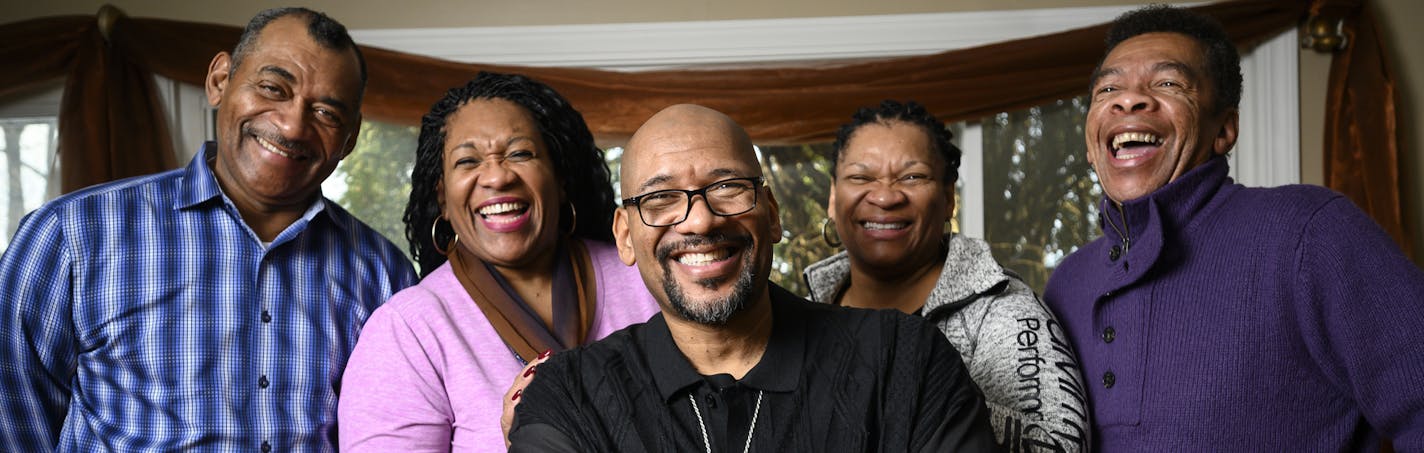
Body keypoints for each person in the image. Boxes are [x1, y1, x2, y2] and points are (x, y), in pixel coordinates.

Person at [0, 8, 417, 452]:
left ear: (349, 138)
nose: (293, 126)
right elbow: (12, 421)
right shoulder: (71, 235)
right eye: (273, 88)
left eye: (325, 113)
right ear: (220, 80)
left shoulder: (384, 275)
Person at [507, 103, 1000, 452]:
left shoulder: (905, 361)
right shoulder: (568, 396)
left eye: (728, 187)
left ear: (772, 213)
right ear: (625, 237)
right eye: (660, 199)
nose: (700, 221)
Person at [1043, 5, 1424, 450]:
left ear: (1224, 130)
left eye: (1168, 83)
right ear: (1091, 142)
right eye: (1109, 88)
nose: (1129, 99)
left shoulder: (1311, 233)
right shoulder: (1067, 284)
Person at [337, 71, 659, 451]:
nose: (496, 177)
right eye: (467, 161)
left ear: (560, 177)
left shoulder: (647, 278)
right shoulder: (408, 332)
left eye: (520, 153)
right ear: (442, 196)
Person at [803, 100, 1088, 451]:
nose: (885, 196)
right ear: (833, 197)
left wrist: (908, 390)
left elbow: (1057, 447)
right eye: (861, 177)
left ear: (949, 197)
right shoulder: (801, 315)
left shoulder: (1004, 312)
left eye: (912, 176)